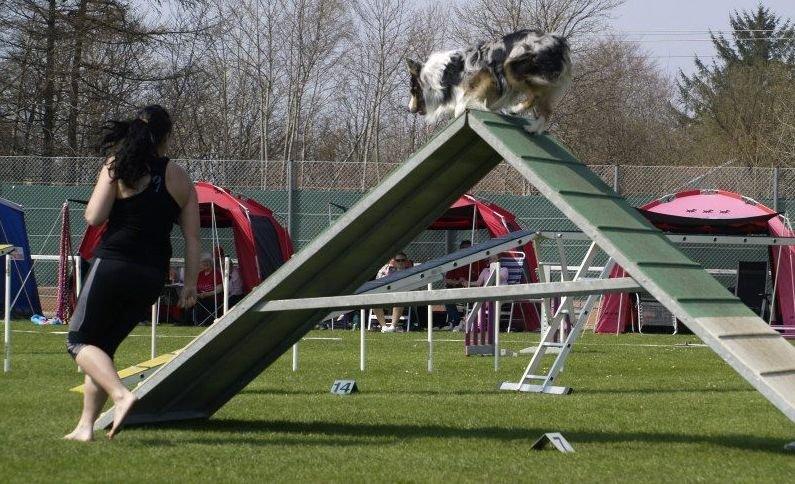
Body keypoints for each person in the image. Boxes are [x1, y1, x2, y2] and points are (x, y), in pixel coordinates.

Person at [64, 105, 200, 442]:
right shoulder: (180, 177)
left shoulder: (118, 165)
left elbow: (94, 217)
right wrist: (191, 284)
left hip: (114, 264)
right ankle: (85, 427)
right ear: (166, 137)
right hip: (152, 274)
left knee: (78, 342)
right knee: (103, 349)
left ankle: (122, 395)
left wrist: (111, 180)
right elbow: (193, 238)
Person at [373, 252, 410, 332]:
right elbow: (377, 283)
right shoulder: (385, 270)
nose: (400, 262)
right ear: (394, 261)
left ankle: (392, 327)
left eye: (402, 260)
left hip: (401, 296)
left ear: (406, 261)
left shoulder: (410, 271)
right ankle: (384, 327)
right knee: (374, 301)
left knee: (399, 299)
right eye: (398, 260)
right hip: (384, 295)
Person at [194, 252, 223, 325]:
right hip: (200, 296)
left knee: (203, 302)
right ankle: (186, 321)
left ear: (211, 263)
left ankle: (203, 322)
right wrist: (197, 294)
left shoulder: (216, 273)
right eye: (203, 262)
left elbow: (219, 289)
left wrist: (207, 294)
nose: (205, 264)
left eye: (206, 262)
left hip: (212, 297)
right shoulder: (200, 274)